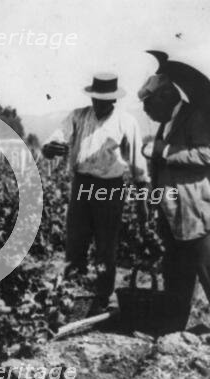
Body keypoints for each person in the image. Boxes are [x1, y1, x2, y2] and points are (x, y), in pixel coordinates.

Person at [138, 74, 210, 340]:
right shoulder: (168, 122)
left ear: (166, 99)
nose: (145, 112)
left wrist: (163, 150)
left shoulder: (197, 116)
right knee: (177, 273)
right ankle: (171, 329)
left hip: (204, 212)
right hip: (180, 213)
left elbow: (209, 154)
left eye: (148, 105)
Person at [42, 73, 150, 307]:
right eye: (96, 99)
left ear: (113, 100)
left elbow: (138, 167)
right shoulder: (78, 116)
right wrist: (50, 148)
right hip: (82, 184)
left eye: (104, 100)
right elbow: (54, 140)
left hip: (110, 187)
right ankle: (71, 293)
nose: (99, 104)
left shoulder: (126, 122)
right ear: (91, 98)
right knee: (76, 240)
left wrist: (143, 201)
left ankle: (102, 295)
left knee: (106, 243)